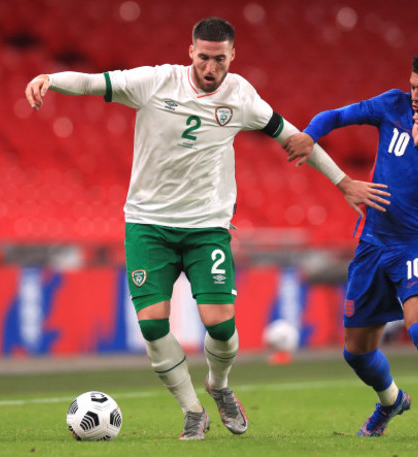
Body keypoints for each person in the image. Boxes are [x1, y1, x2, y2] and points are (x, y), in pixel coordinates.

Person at [25, 17, 389, 440]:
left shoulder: (243, 97)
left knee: (220, 326)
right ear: (190, 52)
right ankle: (192, 410)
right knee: (152, 326)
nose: (210, 67)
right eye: (203, 57)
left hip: (206, 228)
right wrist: (50, 78)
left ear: (233, 56)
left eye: (219, 59)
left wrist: (343, 181)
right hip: (148, 224)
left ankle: (218, 385)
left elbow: (294, 138)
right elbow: (91, 83)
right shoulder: (155, 82)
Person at [284, 47, 418, 443]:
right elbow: (334, 116)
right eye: (413, 86)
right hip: (373, 242)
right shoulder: (391, 104)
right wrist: (309, 135)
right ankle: (391, 400)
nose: (415, 95)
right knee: (356, 353)